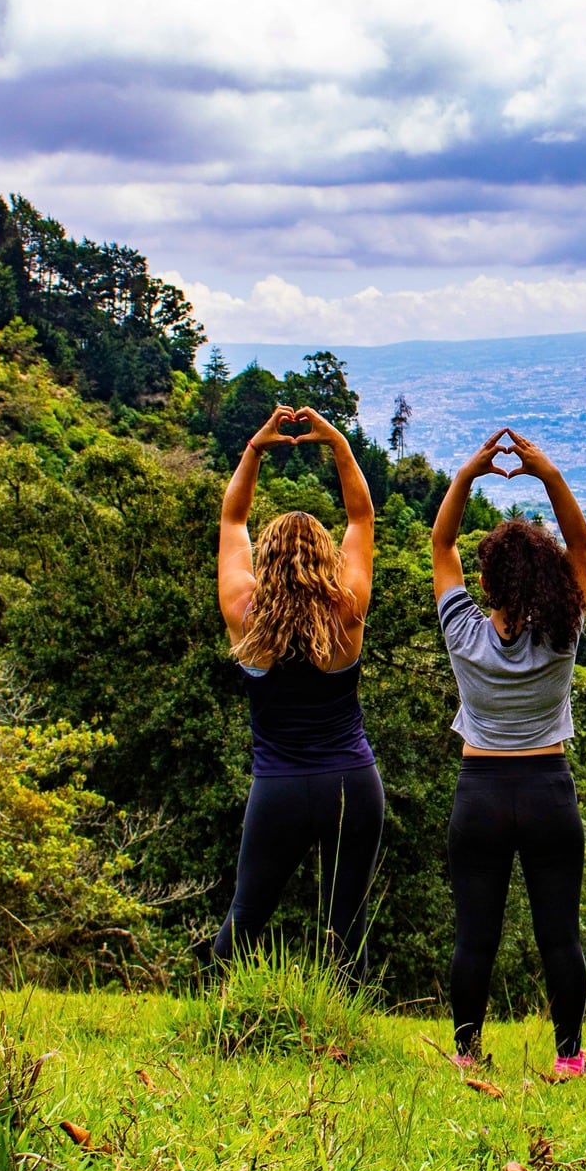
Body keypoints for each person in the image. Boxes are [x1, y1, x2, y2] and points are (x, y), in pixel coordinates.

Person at [431, 427, 586, 1077]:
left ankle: (468, 1054)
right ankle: (569, 1057)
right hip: (549, 789)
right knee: (560, 934)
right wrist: (546, 473)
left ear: (488, 577)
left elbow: (441, 541)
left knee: (476, 936)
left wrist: (468, 474)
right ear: (549, 574)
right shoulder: (564, 629)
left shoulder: (463, 628)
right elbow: (579, 541)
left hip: (481, 793)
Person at [206, 403, 384, 978]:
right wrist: (339, 446)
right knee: (346, 924)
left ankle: (217, 1028)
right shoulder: (346, 611)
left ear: (269, 559)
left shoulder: (246, 615)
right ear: (324, 557)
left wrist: (255, 450)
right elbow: (361, 519)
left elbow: (233, 523)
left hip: (278, 787)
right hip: (351, 784)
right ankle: (345, 1044)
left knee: (246, 915)